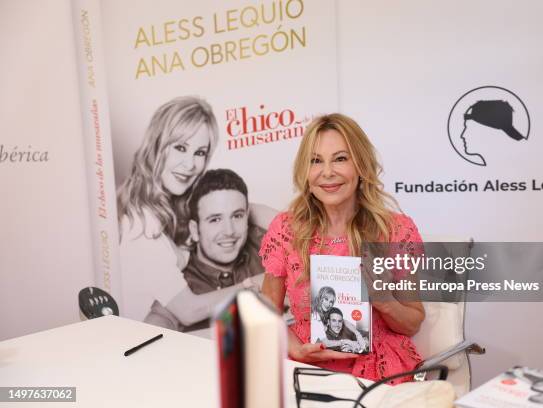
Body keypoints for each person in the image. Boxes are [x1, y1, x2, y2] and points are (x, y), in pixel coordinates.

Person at [260, 113, 425, 384]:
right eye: (315, 161)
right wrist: (294, 348)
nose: (327, 172)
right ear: (305, 172)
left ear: (360, 166)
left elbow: (413, 321)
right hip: (307, 364)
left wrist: (385, 302)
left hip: (377, 370)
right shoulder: (286, 229)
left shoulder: (394, 230)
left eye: (340, 158)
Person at [117, 96, 219, 322]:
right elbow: (189, 311)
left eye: (200, 153)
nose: (190, 164)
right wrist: (255, 287)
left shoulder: (170, 205)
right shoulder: (140, 224)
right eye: (180, 148)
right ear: (157, 145)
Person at [143, 169, 266, 330]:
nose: (229, 231)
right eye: (215, 219)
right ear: (194, 230)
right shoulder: (181, 283)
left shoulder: (266, 243)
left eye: (237, 216)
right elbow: (155, 325)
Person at [311, 286, 366, 352]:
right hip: (315, 349)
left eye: (331, 302)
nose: (328, 304)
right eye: (326, 299)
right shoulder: (315, 317)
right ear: (320, 298)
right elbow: (325, 343)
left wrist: (357, 334)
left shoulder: (326, 311)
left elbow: (343, 320)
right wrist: (347, 342)